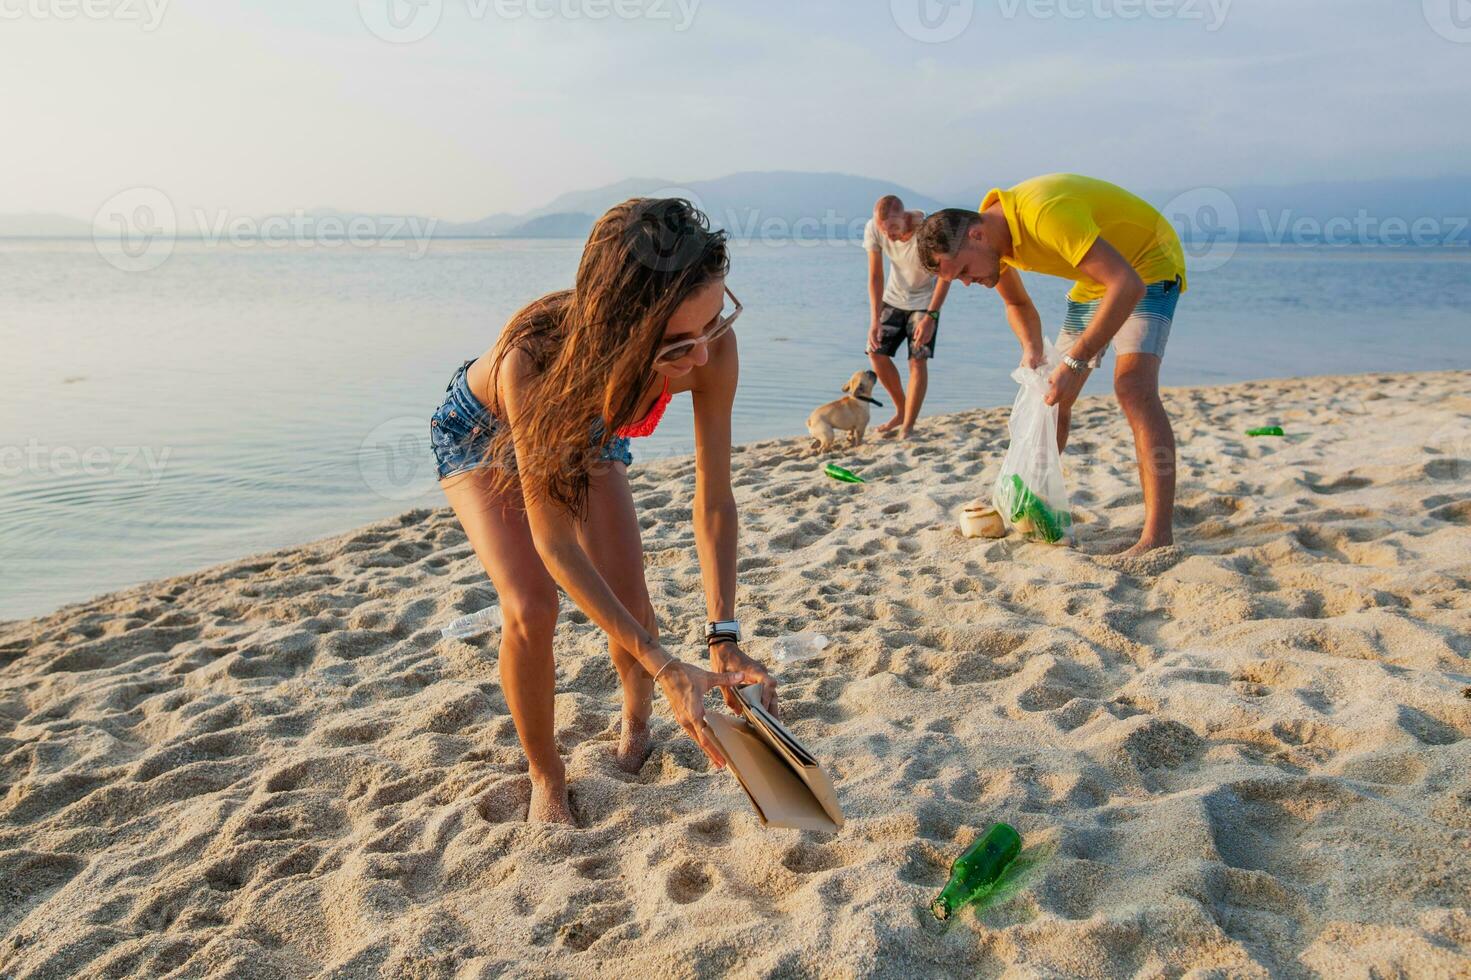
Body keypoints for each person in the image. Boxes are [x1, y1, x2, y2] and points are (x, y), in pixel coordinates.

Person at [429, 198, 776, 825]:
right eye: (675, 343)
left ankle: (637, 720)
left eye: (713, 324)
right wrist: (669, 663)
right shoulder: (532, 357)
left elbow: (715, 499)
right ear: (621, 328)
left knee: (631, 602)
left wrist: (722, 639)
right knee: (533, 604)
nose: (700, 357)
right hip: (485, 432)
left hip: (590, 430)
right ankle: (546, 773)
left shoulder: (710, 349)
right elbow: (554, 544)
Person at [915, 174, 1187, 556]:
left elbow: (1127, 285)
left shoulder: (1044, 214)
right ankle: (1032, 503)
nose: (965, 283)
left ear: (975, 235)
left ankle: (1157, 537)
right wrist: (1030, 347)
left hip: (1147, 264)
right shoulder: (996, 239)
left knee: (1133, 388)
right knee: (1051, 396)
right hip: (1096, 281)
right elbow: (1017, 305)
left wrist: (1075, 361)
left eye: (961, 271)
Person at [863, 195, 952, 438]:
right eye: (883, 230)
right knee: (875, 353)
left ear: (904, 218)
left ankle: (908, 426)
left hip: (925, 302)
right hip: (893, 298)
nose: (888, 235)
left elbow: (946, 275)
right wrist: (874, 320)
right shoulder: (874, 228)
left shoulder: (928, 231)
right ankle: (902, 410)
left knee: (917, 360)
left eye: (893, 228)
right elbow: (875, 276)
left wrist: (931, 317)